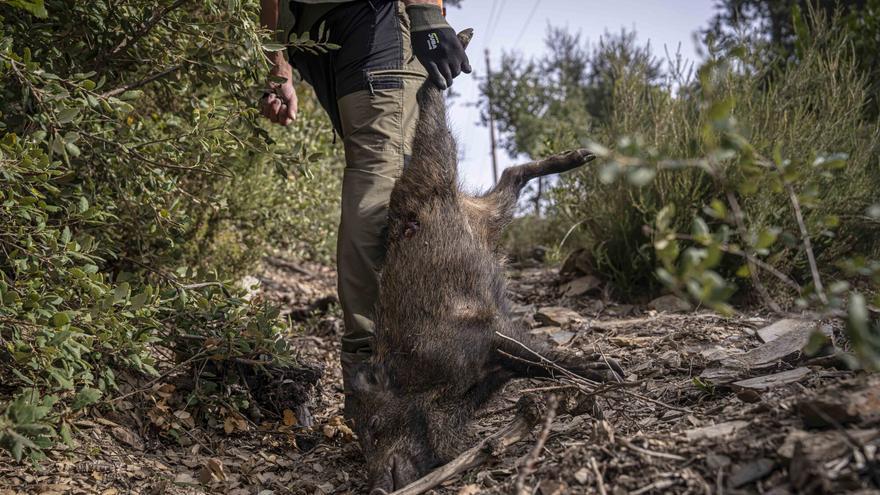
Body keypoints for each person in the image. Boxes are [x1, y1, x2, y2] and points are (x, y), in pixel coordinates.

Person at [258, 0, 471, 412]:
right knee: (384, 174)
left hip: (311, 35)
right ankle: (378, 370)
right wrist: (426, 14)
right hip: (373, 19)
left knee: (376, 167)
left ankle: (379, 364)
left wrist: (278, 63)